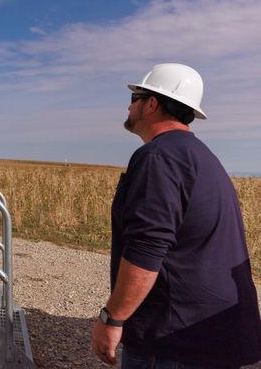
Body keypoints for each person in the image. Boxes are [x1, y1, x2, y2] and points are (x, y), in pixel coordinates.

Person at [91, 63, 261, 368]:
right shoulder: (201, 157)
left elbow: (146, 249)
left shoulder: (157, 158)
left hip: (172, 340)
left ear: (152, 104)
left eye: (135, 97)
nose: (129, 106)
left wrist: (112, 318)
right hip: (212, 334)